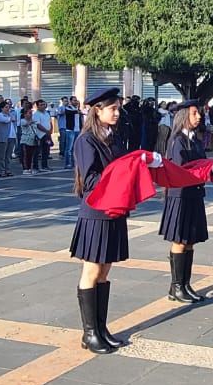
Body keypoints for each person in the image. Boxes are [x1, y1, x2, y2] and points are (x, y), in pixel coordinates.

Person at [69, 87, 142, 355]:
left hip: (114, 210)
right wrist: (123, 175)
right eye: (113, 108)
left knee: (105, 271)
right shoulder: (86, 141)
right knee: (91, 270)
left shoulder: (114, 137)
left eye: (118, 107)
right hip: (96, 212)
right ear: (97, 110)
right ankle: (90, 333)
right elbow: (90, 180)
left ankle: (101, 327)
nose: (117, 112)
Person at [162, 100, 209, 302]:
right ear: (183, 117)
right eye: (194, 113)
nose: (198, 117)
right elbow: (181, 170)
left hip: (194, 194)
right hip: (180, 196)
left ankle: (186, 283)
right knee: (180, 241)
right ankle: (176, 286)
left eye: (198, 113)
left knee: (190, 241)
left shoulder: (195, 140)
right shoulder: (177, 141)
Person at [59, 96, 81, 168]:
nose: (76, 101)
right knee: (69, 148)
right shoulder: (68, 108)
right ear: (71, 101)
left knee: (75, 148)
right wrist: (77, 111)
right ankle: (67, 163)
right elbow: (69, 112)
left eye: (76, 100)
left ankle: (74, 163)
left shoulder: (77, 108)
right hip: (70, 130)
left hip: (77, 130)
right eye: (74, 100)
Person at [0, 101, 14, 177]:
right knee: (2, 155)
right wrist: (10, 117)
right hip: (3, 137)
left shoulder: (10, 115)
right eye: (6, 107)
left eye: (8, 107)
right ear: (1, 108)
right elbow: (6, 120)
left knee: (8, 155)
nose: (7, 109)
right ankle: (2, 171)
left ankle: (8, 169)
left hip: (11, 136)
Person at [33, 99, 53, 171]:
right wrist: (46, 130)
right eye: (41, 105)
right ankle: (36, 167)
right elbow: (38, 125)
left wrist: (50, 130)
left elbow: (50, 122)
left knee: (46, 150)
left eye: (44, 104)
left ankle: (45, 166)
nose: (43, 106)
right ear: (37, 106)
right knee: (37, 151)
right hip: (40, 135)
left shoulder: (47, 113)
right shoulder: (36, 114)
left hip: (47, 135)